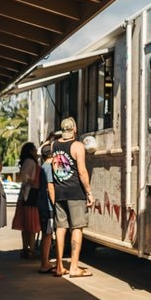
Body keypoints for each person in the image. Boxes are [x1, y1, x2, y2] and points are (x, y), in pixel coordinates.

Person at [50, 117, 94, 278]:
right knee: (77, 228)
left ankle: (59, 267)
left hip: (60, 191)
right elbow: (82, 172)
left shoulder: (54, 145)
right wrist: (89, 192)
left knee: (61, 228)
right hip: (75, 192)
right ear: (74, 129)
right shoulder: (78, 146)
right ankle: (74, 267)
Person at [10, 143, 41, 258]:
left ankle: (25, 248)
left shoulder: (27, 161)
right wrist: (32, 182)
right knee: (31, 225)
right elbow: (26, 178)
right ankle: (31, 249)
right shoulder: (31, 162)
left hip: (26, 194)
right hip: (31, 194)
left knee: (25, 225)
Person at [37, 143, 57, 274]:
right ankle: (44, 263)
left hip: (42, 204)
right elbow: (51, 186)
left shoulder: (42, 166)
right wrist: (56, 204)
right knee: (48, 234)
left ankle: (46, 261)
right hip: (48, 206)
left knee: (47, 233)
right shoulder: (49, 167)